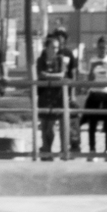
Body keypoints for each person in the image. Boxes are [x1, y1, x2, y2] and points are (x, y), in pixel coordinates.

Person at [33, 28, 76, 157]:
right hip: (44, 95)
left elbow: (63, 74)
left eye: (57, 48)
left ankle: (63, 149)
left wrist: (48, 75)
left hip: (58, 96)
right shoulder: (41, 59)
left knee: (54, 126)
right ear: (47, 47)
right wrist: (51, 76)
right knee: (45, 126)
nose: (56, 50)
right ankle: (46, 150)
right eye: (53, 47)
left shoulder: (61, 59)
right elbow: (40, 74)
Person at [81, 35, 107, 154]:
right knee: (92, 123)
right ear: (97, 48)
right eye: (100, 47)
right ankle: (92, 149)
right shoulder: (93, 60)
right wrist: (93, 67)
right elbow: (89, 81)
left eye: (104, 47)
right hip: (95, 93)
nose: (102, 50)